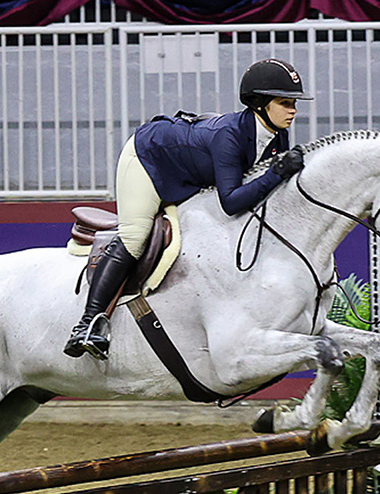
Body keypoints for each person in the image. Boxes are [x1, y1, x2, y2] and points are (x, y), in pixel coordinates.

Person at [64, 57, 312, 360]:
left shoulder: (276, 135)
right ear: (260, 104)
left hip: (188, 173)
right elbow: (231, 202)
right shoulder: (229, 137)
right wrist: (277, 173)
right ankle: (87, 324)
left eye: (294, 103)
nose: (294, 111)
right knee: (135, 235)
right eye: (286, 103)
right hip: (148, 159)